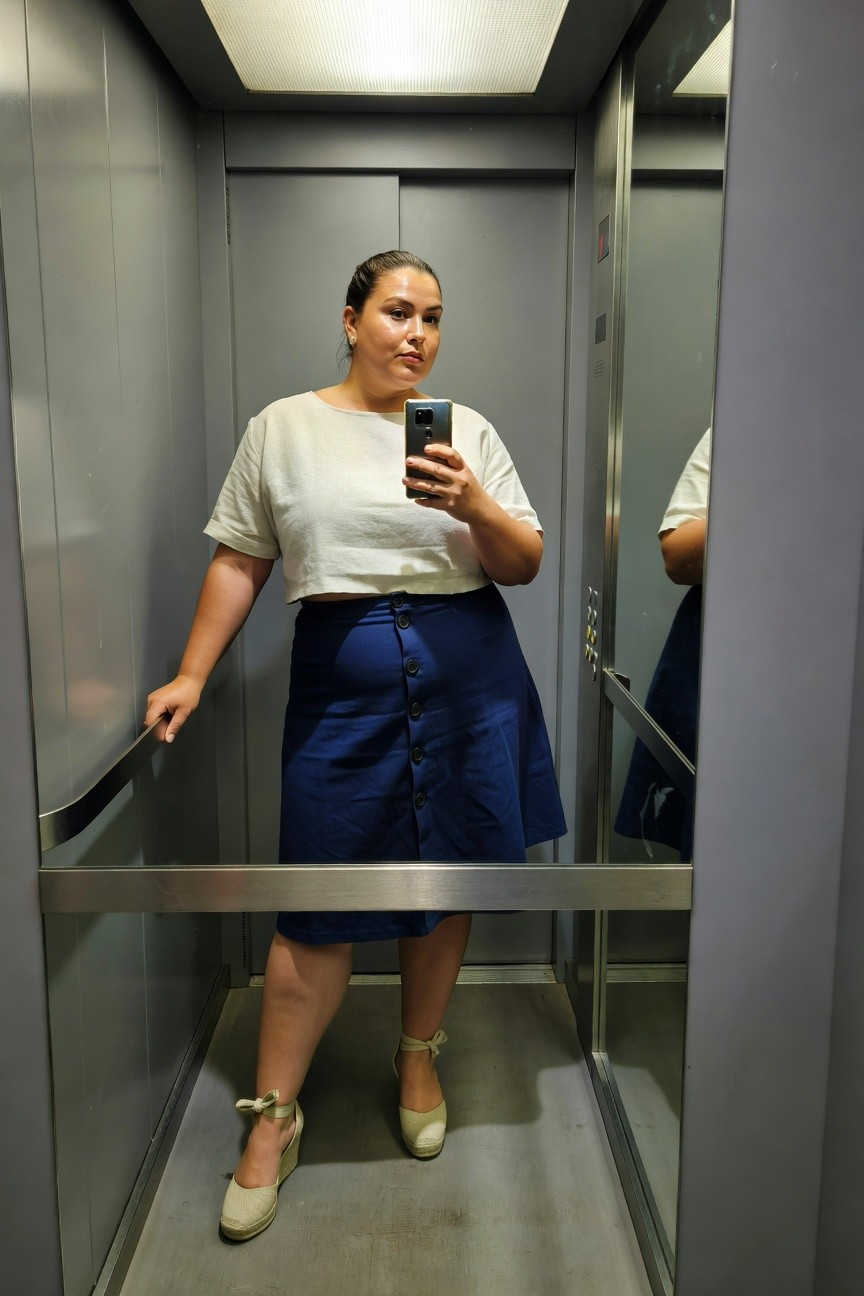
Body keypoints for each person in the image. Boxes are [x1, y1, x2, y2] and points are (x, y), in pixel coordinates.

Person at [144, 250, 566, 1242]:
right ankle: (273, 1118)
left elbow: (524, 562)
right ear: (350, 320)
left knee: (447, 879)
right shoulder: (282, 428)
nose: (417, 334)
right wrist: (193, 673)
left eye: (433, 317)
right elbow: (241, 557)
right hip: (341, 687)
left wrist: (473, 504)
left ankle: (418, 1055)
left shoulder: (466, 430)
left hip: (471, 679)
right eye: (397, 312)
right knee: (317, 902)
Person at [614, 429, 710, 860]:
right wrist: (765, 491)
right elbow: (678, 554)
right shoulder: (748, 427)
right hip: (727, 642)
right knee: (712, 837)